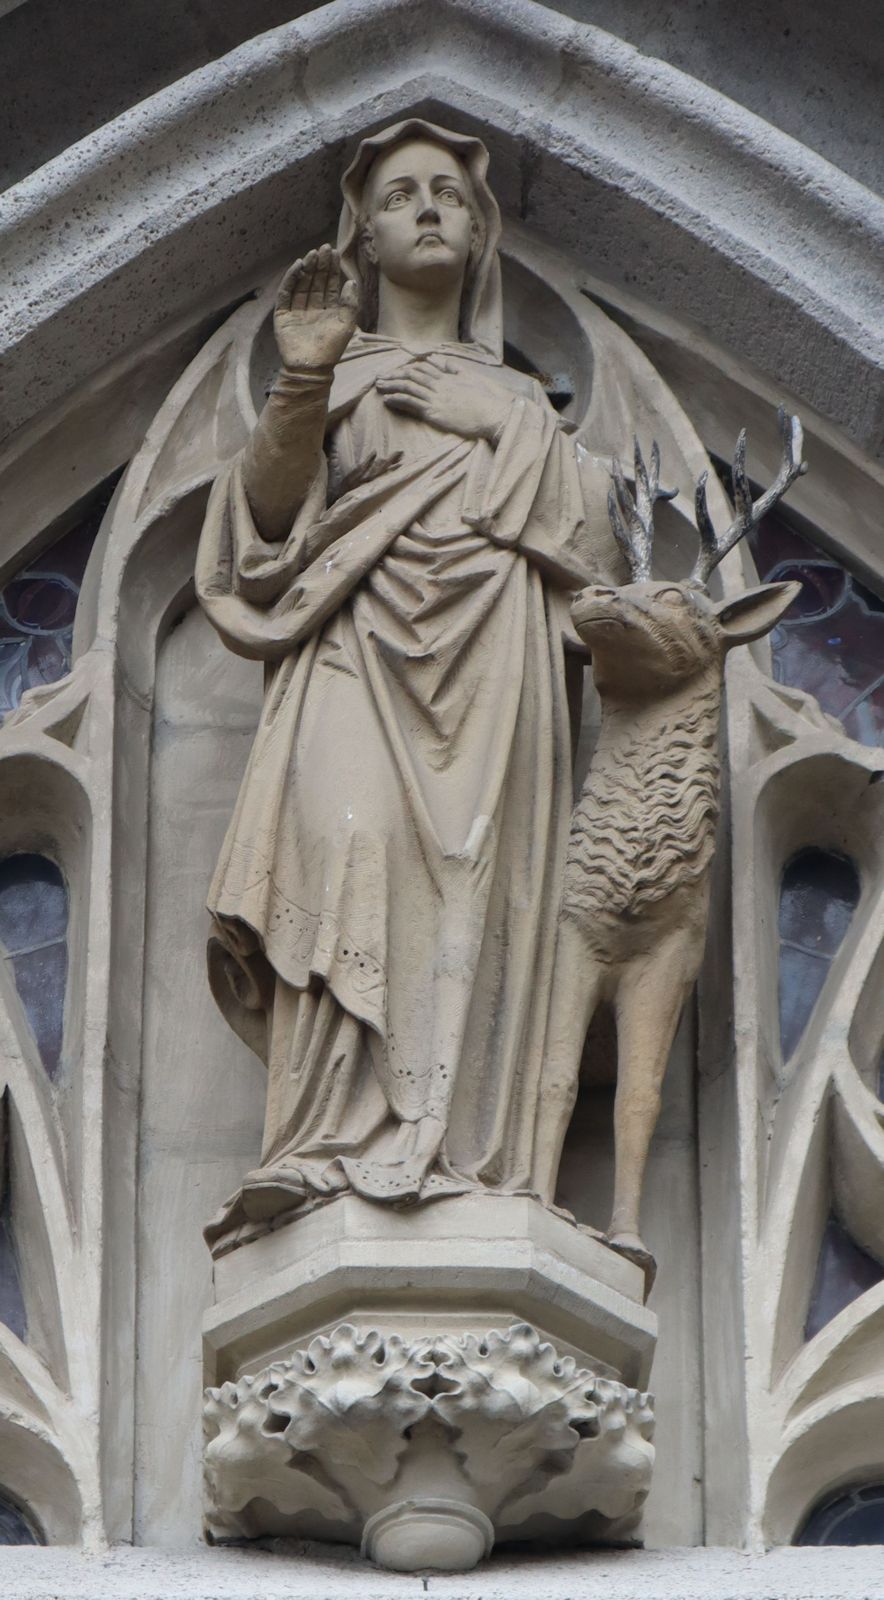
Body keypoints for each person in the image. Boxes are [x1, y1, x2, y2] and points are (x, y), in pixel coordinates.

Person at [196, 119, 611, 1246]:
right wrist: (307, 373)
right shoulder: (335, 375)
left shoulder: (523, 404)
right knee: (347, 845)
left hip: (496, 670)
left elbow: (598, 569)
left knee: (477, 887)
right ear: (365, 237)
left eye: (448, 196)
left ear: (479, 234)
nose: (426, 208)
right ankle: (326, 1141)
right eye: (399, 196)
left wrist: (507, 427)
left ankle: (465, 1153)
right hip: (351, 652)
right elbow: (266, 526)